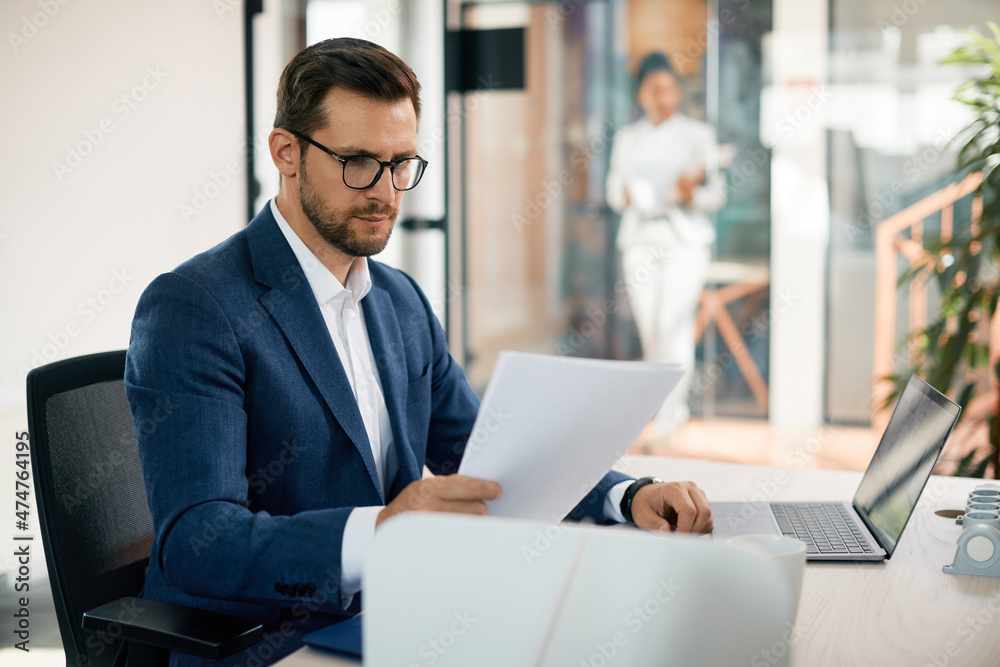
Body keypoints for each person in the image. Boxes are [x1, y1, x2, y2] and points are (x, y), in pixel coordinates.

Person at [125, 38, 713, 666]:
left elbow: (494, 455)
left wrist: (624, 498)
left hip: (405, 620)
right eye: (357, 161)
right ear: (286, 153)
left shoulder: (399, 300)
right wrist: (381, 535)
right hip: (266, 644)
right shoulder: (195, 306)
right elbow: (195, 542)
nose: (386, 192)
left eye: (400, 163)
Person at [606, 52, 726, 439]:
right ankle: (662, 406)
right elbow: (612, 191)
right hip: (641, 239)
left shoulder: (698, 135)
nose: (664, 97)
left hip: (684, 241)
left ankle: (671, 413)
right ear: (641, 93)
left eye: (671, 88)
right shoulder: (627, 139)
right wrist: (626, 194)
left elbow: (716, 195)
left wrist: (692, 193)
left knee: (673, 325)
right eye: (656, 89)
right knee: (651, 329)